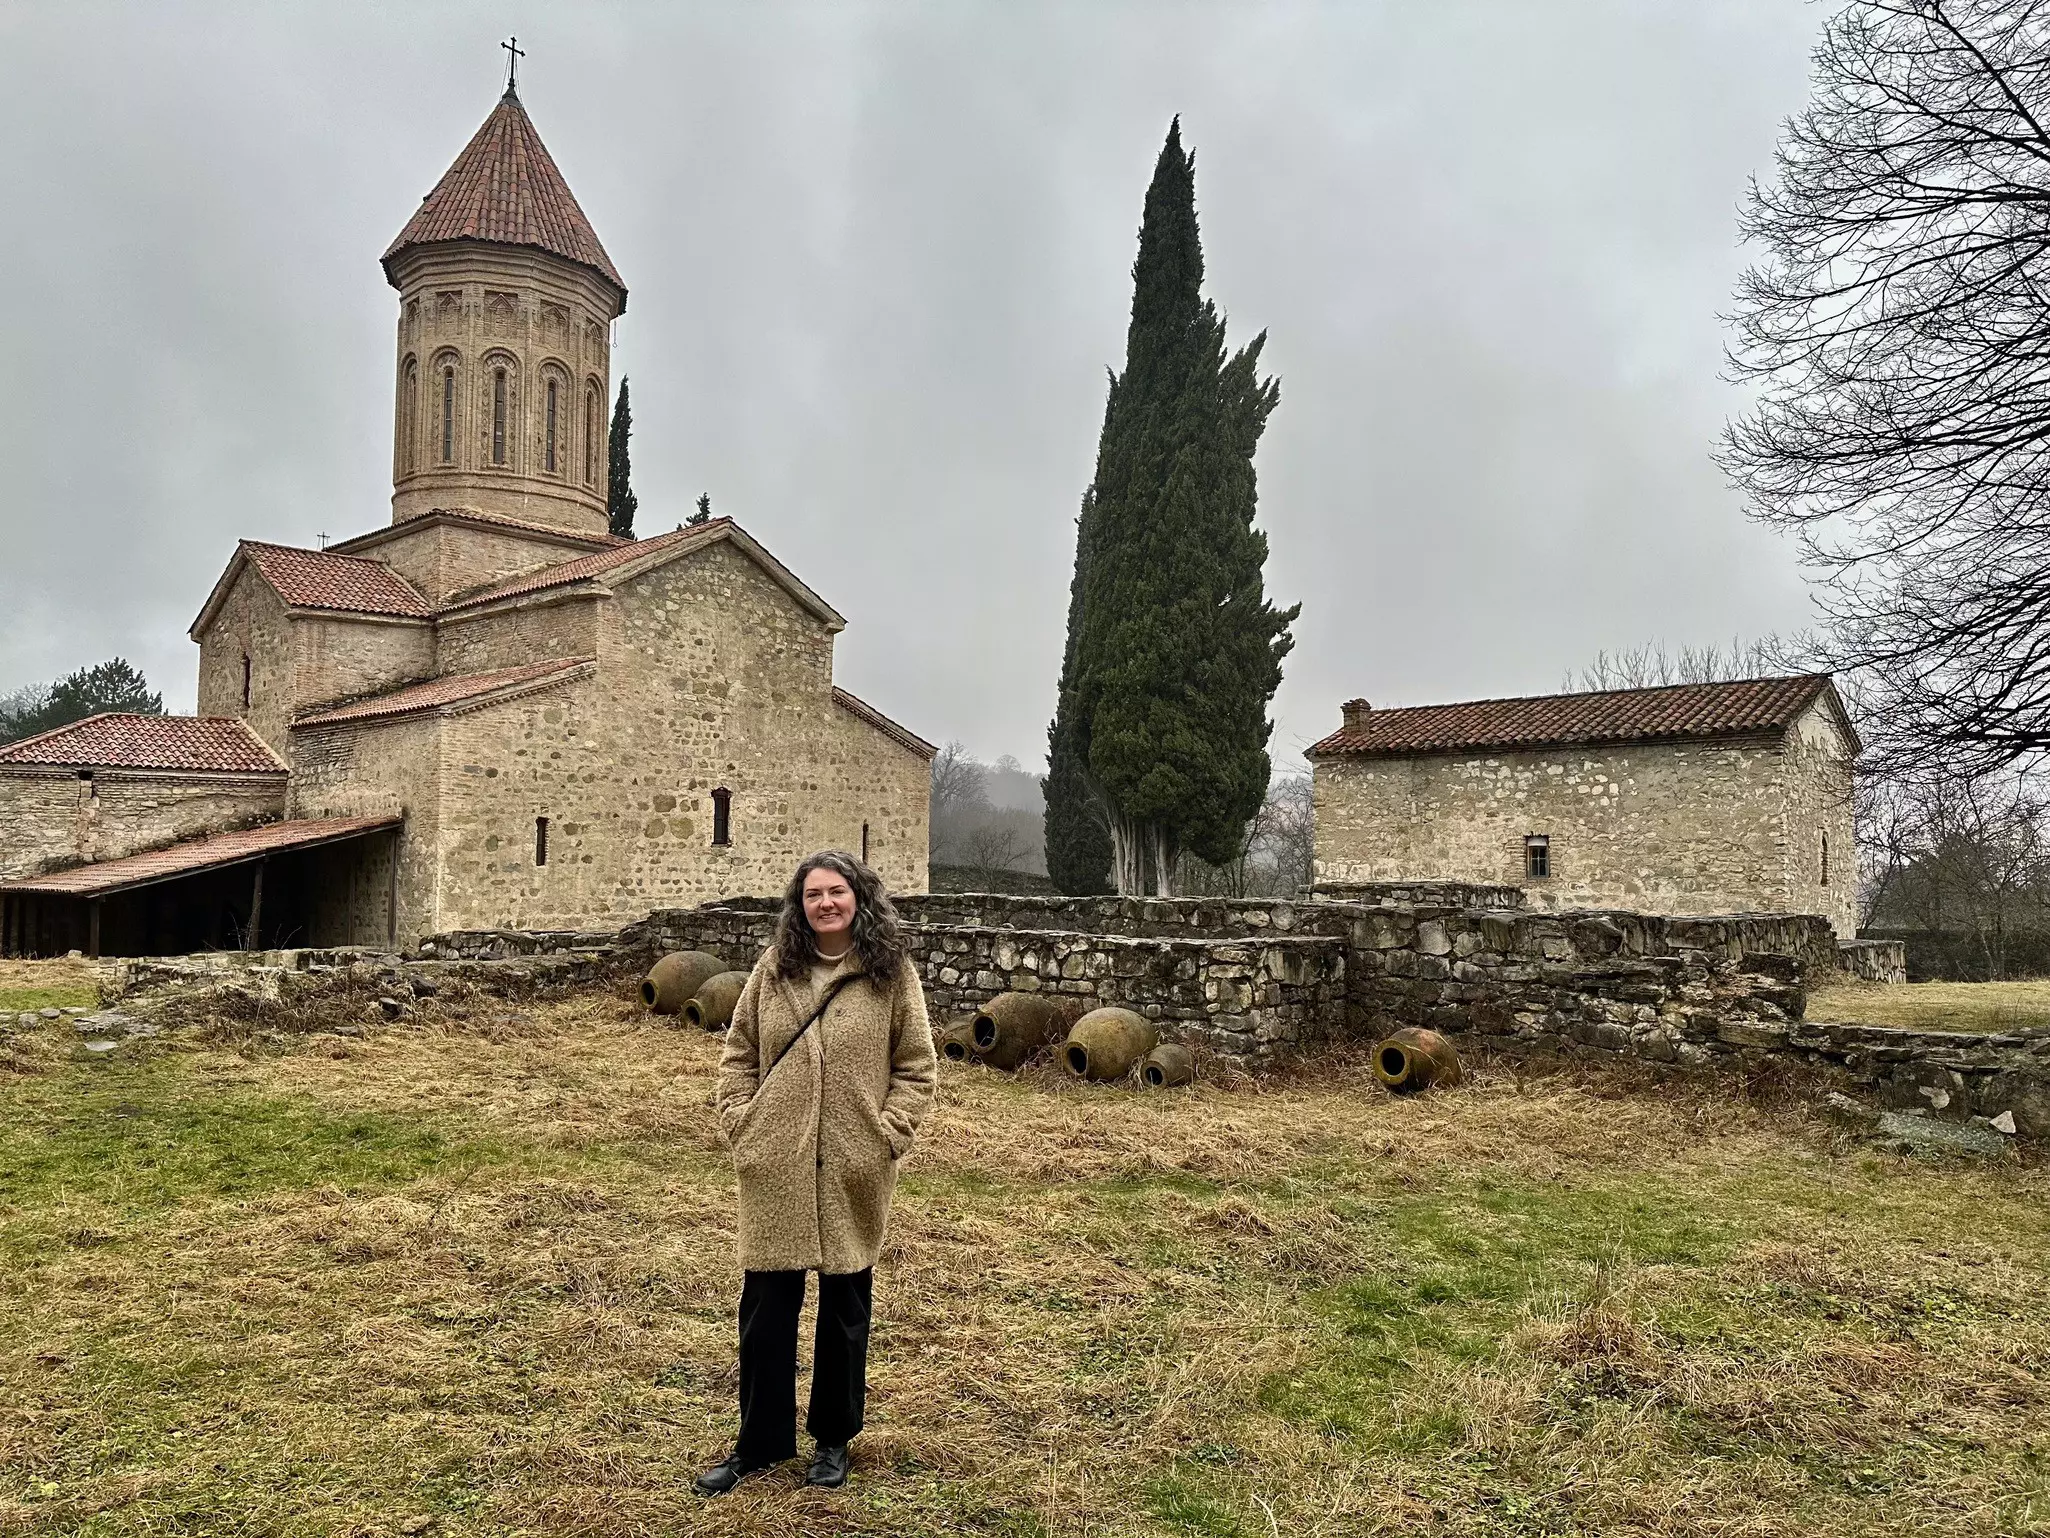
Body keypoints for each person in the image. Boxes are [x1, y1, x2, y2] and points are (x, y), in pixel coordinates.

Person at [694, 850, 938, 1496]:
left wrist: (886, 1137)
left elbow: (917, 1066)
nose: (825, 903)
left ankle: (832, 1442)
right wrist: (740, 1123)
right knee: (766, 1312)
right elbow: (738, 1053)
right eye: (812, 895)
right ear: (798, 906)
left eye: (836, 892)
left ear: (858, 897)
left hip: (853, 1171)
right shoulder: (775, 971)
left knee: (844, 1314)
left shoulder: (890, 974)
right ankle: (760, 1444)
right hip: (774, 1165)